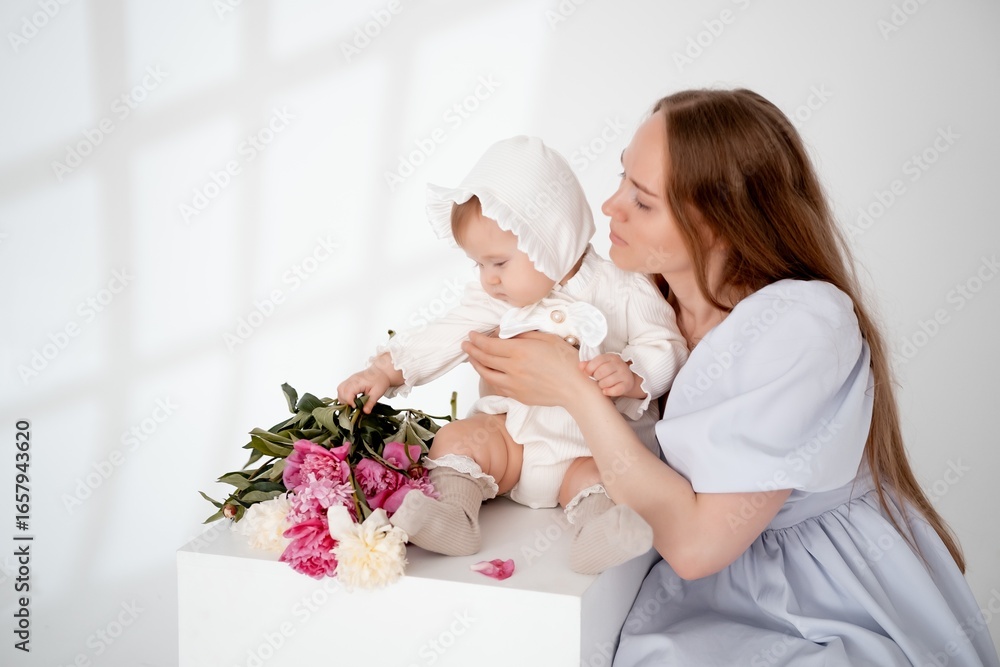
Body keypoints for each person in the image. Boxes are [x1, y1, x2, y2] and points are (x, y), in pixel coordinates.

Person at [461, 89, 1000, 665]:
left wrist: (573, 389)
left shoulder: (798, 327)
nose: (610, 206)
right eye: (622, 177)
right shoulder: (642, 309)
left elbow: (697, 546)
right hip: (691, 586)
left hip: (813, 600)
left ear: (718, 224)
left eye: (643, 201)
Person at [337, 135, 688, 574]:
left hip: (589, 450)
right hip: (514, 446)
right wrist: (385, 370)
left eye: (499, 263)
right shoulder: (497, 300)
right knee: (458, 438)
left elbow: (667, 343)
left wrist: (634, 372)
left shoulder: (625, 287)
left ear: (551, 242)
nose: (489, 279)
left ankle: (597, 534)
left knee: (603, 479)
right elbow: (444, 333)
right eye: (479, 264)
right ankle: (455, 516)